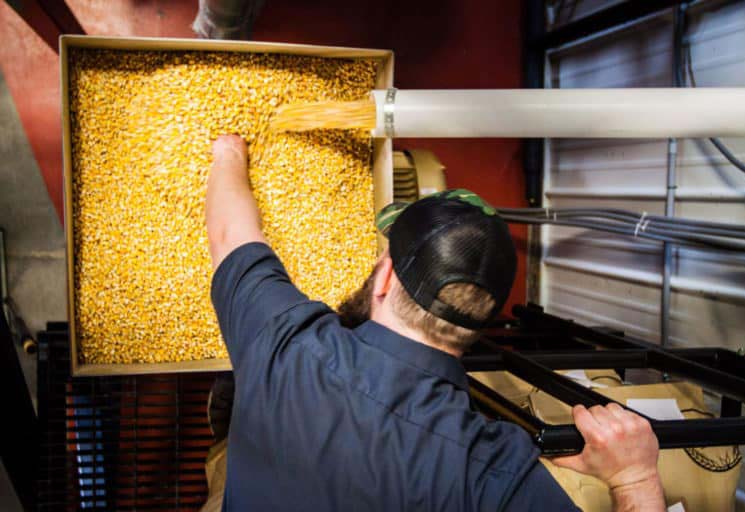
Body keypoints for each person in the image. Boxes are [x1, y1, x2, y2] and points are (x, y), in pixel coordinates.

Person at [202, 134, 666, 511]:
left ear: (384, 277)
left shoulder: (288, 345)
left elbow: (231, 235)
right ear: (481, 318)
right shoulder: (495, 470)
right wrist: (634, 477)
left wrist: (228, 154)